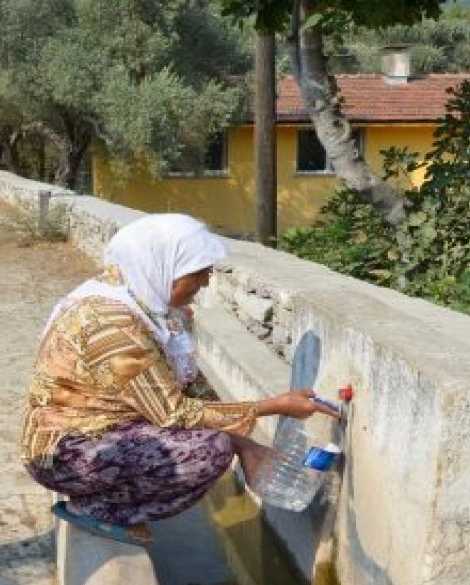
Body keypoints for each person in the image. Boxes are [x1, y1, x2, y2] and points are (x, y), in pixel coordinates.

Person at [20, 213, 338, 546]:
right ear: (164, 267)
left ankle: (108, 504)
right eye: (197, 274)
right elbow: (172, 413)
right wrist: (274, 407)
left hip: (100, 432)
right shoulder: (111, 324)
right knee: (209, 451)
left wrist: (248, 443)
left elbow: (192, 386)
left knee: (220, 440)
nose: (203, 284)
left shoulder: (143, 304)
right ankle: (98, 509)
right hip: (67, 453)